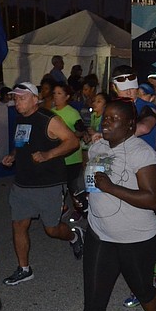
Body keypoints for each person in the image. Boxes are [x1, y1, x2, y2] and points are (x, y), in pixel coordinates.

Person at [70, 99, 156, 311]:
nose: (106, 123)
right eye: (105, 118)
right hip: (101, 235)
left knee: (142, 288)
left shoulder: (141, 153)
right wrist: (85, 196)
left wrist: (111, 188)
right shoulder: (97, 148)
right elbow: (92, 182)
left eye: (113, 119)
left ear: (129, 125)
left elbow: (152, 199)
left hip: (136, 238)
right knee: (94, 301)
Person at [1, 82, 85, 285]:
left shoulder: (49, 119)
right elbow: (22, 144)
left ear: (34, 99)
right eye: (15, 98)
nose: (17, 102)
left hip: (49, 184)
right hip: (22, 184)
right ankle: (24, 268)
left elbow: (73, 141)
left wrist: (48, 154)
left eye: (22, 98)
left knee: (52, 229)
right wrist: (13, 155)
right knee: (19, 225)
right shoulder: (21, 118)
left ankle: (74, 235)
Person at [109, 66, 156, 308]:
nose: (130, 94)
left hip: (145, 179)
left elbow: (145, 127)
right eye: (125, 90)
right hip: (120, 177)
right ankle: (141, 282)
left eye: (134, 89)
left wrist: (109, 131)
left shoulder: (147, 108)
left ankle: (154, 274)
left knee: (142, 240)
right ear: (115, 89)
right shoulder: (112, 110)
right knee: (125, 238)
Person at [50, 83, 87, 215]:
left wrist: (68, 138)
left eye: (59, 93)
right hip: (57, 156)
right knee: (57, 185)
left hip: (71, 157)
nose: (55, 96)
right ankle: (62, 208)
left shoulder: (72, 112)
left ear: (67, 96)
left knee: (73, 187)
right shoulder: (50, 112)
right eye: (54, 93)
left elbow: (81, 130)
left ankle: (81, 209)